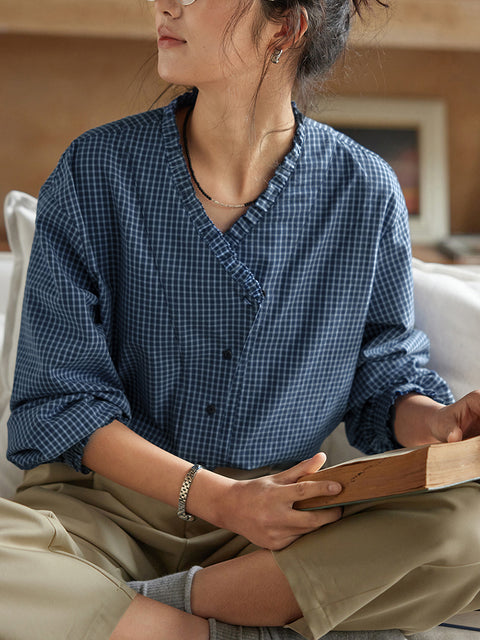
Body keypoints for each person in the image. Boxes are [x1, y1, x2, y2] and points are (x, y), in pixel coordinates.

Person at [1, 0, 480, 638]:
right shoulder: (95, 173)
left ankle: (143, 611)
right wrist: (221, 499)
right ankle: (213, 624)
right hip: (100, 517)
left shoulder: (365, 191)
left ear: (285, 26)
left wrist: (437, 423)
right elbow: (61, 403)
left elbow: (383, 378)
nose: (164, 6)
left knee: (468, 523)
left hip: (278, 531)